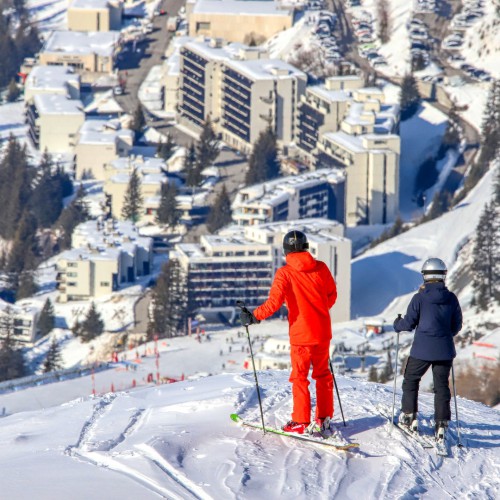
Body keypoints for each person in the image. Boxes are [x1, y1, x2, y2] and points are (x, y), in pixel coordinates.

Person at [240, 230, 337, 435]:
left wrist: (254, 316)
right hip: (322, 331)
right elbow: (332, 295)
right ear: (306, 247)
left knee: (300, 378)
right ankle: (324, 418)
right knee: (323, 375)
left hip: (301, 334)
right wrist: (318, 310)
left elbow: (274, 303)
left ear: (286, 251)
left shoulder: (285, 273)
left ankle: (301, 421)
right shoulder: (321, 268)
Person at [393, 257, 462, 440]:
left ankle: (409, 416)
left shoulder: (419, 298)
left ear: (425, 276)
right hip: (445, 350)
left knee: (411, 380)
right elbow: (456, 326)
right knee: (441, 386)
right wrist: (444, 335)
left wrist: (397, 324)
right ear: (443, 275)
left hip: (422, 349)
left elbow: (408, 324)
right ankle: (441, 424)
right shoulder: (452, 298)